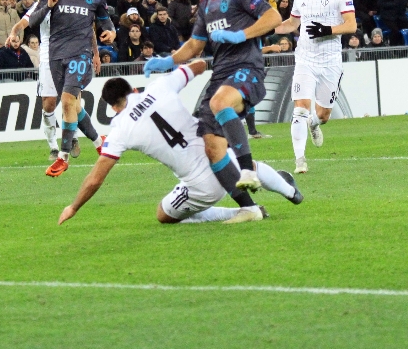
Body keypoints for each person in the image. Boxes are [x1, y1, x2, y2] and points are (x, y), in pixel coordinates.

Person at [59, 60, 302, 226]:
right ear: (133, 89)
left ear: (112, 107)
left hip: (201, 188)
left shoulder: (119, 129)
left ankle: (241, 211)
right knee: (248, 166)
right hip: (223, 162)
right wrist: (176, 61)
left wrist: (73, 207)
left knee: (163, 215)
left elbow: (96, 178)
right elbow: (197, 66)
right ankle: (289, 191)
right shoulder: (159, 87)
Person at [144, 0, 282, 224]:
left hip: (246, 68)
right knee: (211, 147)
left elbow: (273, 17)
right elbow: (195, 45)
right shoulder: (206, 4)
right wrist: (168, 61)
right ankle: (251, 207)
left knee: (220, 104)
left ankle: (249, 172)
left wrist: (241, 35)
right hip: (219, 74)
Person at [8, 0, 116, 169]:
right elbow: (35, 20)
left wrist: (111, 32)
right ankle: (99, 142)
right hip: (55, 56)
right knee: (74, 105)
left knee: (67, 100)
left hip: (81, 55)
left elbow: (104, 21)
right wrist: (48, 4)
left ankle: (62, 156)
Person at [272, 0, 357, 173]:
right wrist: (265, 29)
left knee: (323, 115)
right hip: (305, 60)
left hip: (330, 62)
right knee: (300, 108)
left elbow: (351, 26)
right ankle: (300, 160)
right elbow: (292, 23)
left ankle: (314, 123)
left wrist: (327, 30)